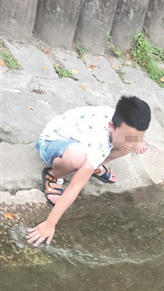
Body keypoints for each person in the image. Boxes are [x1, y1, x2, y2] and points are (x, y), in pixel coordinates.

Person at [27, 95, 151, 246]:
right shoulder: (98, 141)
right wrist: (49, 224)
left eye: (138, 136)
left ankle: (94, 164)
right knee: (76, 158)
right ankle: (53, 176)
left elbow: (130, 137)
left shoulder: (123, 122)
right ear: (111, 126)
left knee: (128, 145)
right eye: (128, 136)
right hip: (51, 142)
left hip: (85, 140)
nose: (131, 141)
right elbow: (75, 186)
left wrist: (136, 142)